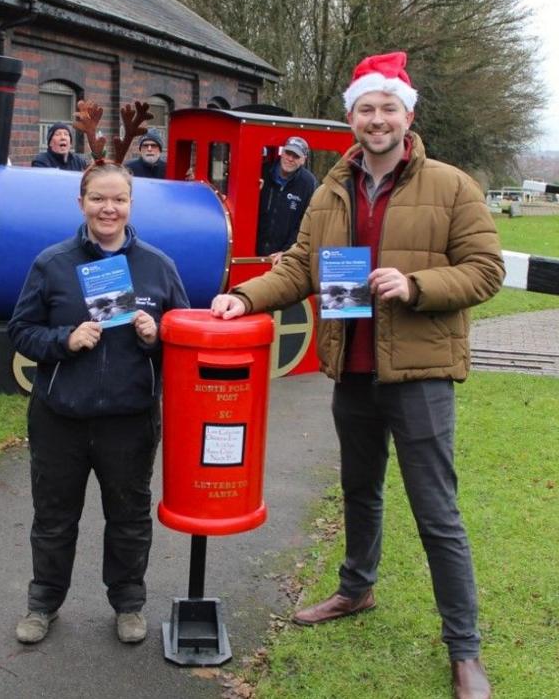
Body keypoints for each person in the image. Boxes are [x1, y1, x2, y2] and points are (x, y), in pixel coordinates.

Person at [210, 51, 503, 699]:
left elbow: (486, 270)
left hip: (421, 374)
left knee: (437, 511)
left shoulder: (452, 186)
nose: (377, 119)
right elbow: (298, 267)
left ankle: (464, 648)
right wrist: (246, 296)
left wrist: (417, 282)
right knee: (360, 489)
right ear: (351, 116)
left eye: (388, 107)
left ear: (409, 113)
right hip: (353, 371)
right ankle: (355, 589)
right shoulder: (329, 189)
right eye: (366, 108)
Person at [7, 162, 188, 646]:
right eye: (99, 199)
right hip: (60, 417)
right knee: (53, 517)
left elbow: (185, 338)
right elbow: (20, 331)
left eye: (119, 200)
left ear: (131, 204)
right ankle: (43, 603)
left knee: (128, 517)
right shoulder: (52, 263)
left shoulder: (157, 266)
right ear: (81, 202)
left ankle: (128, 604)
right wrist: (65, 340)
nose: (109, 208)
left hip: (128, 420)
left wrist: (158, 335)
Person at [256, 135, 317, 264]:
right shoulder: (262, 171)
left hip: (284, 258)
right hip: (252, 252)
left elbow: (305, 222)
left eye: (296, 156)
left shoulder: (308, 183)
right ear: (282, 153)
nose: (290, 159)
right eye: (288, 153)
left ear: (303, 160)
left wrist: (287, 251)